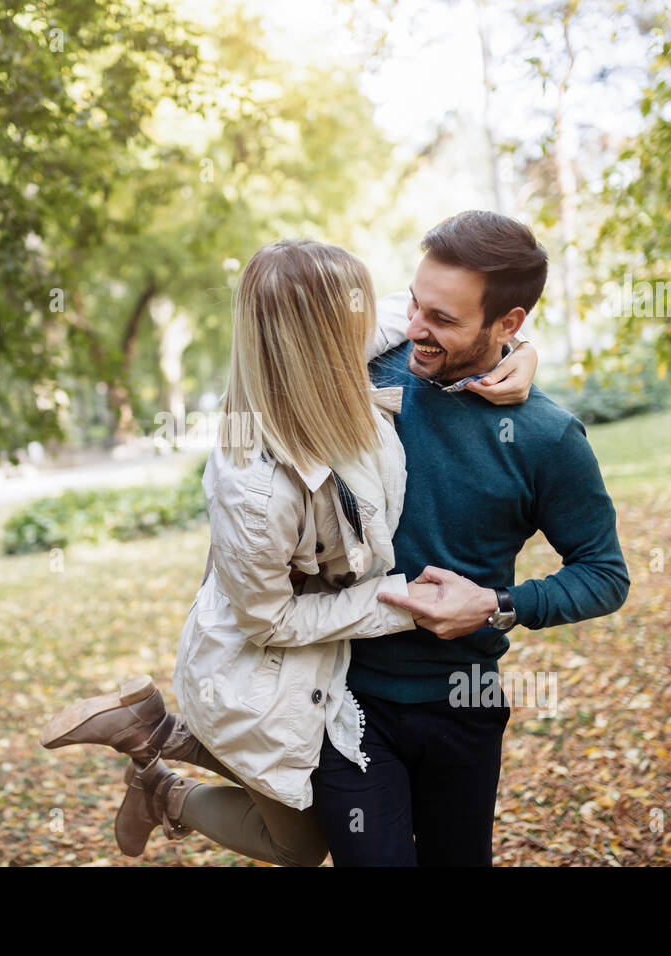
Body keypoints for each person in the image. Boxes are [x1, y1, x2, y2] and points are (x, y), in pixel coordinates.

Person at [38, 237, 539, 865]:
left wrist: (518, 350)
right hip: (257, 673)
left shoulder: (332, 350)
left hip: (314, 658)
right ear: (325, 332)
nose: (398, 324)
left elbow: (448, 318)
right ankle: (165, 787)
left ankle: (150, 729)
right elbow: (266, 620)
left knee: (313, 822)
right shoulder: (255, 486)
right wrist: (398, 603)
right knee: (300, 845)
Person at [312, 210, 631, 866]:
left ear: (509, 324)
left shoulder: (548, 438)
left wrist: (495, 604)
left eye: (444, 319)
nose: (416, 329)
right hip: (345, 696)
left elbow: (605, 573)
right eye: (416, 304)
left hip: (465, 703)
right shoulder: (365, 372)